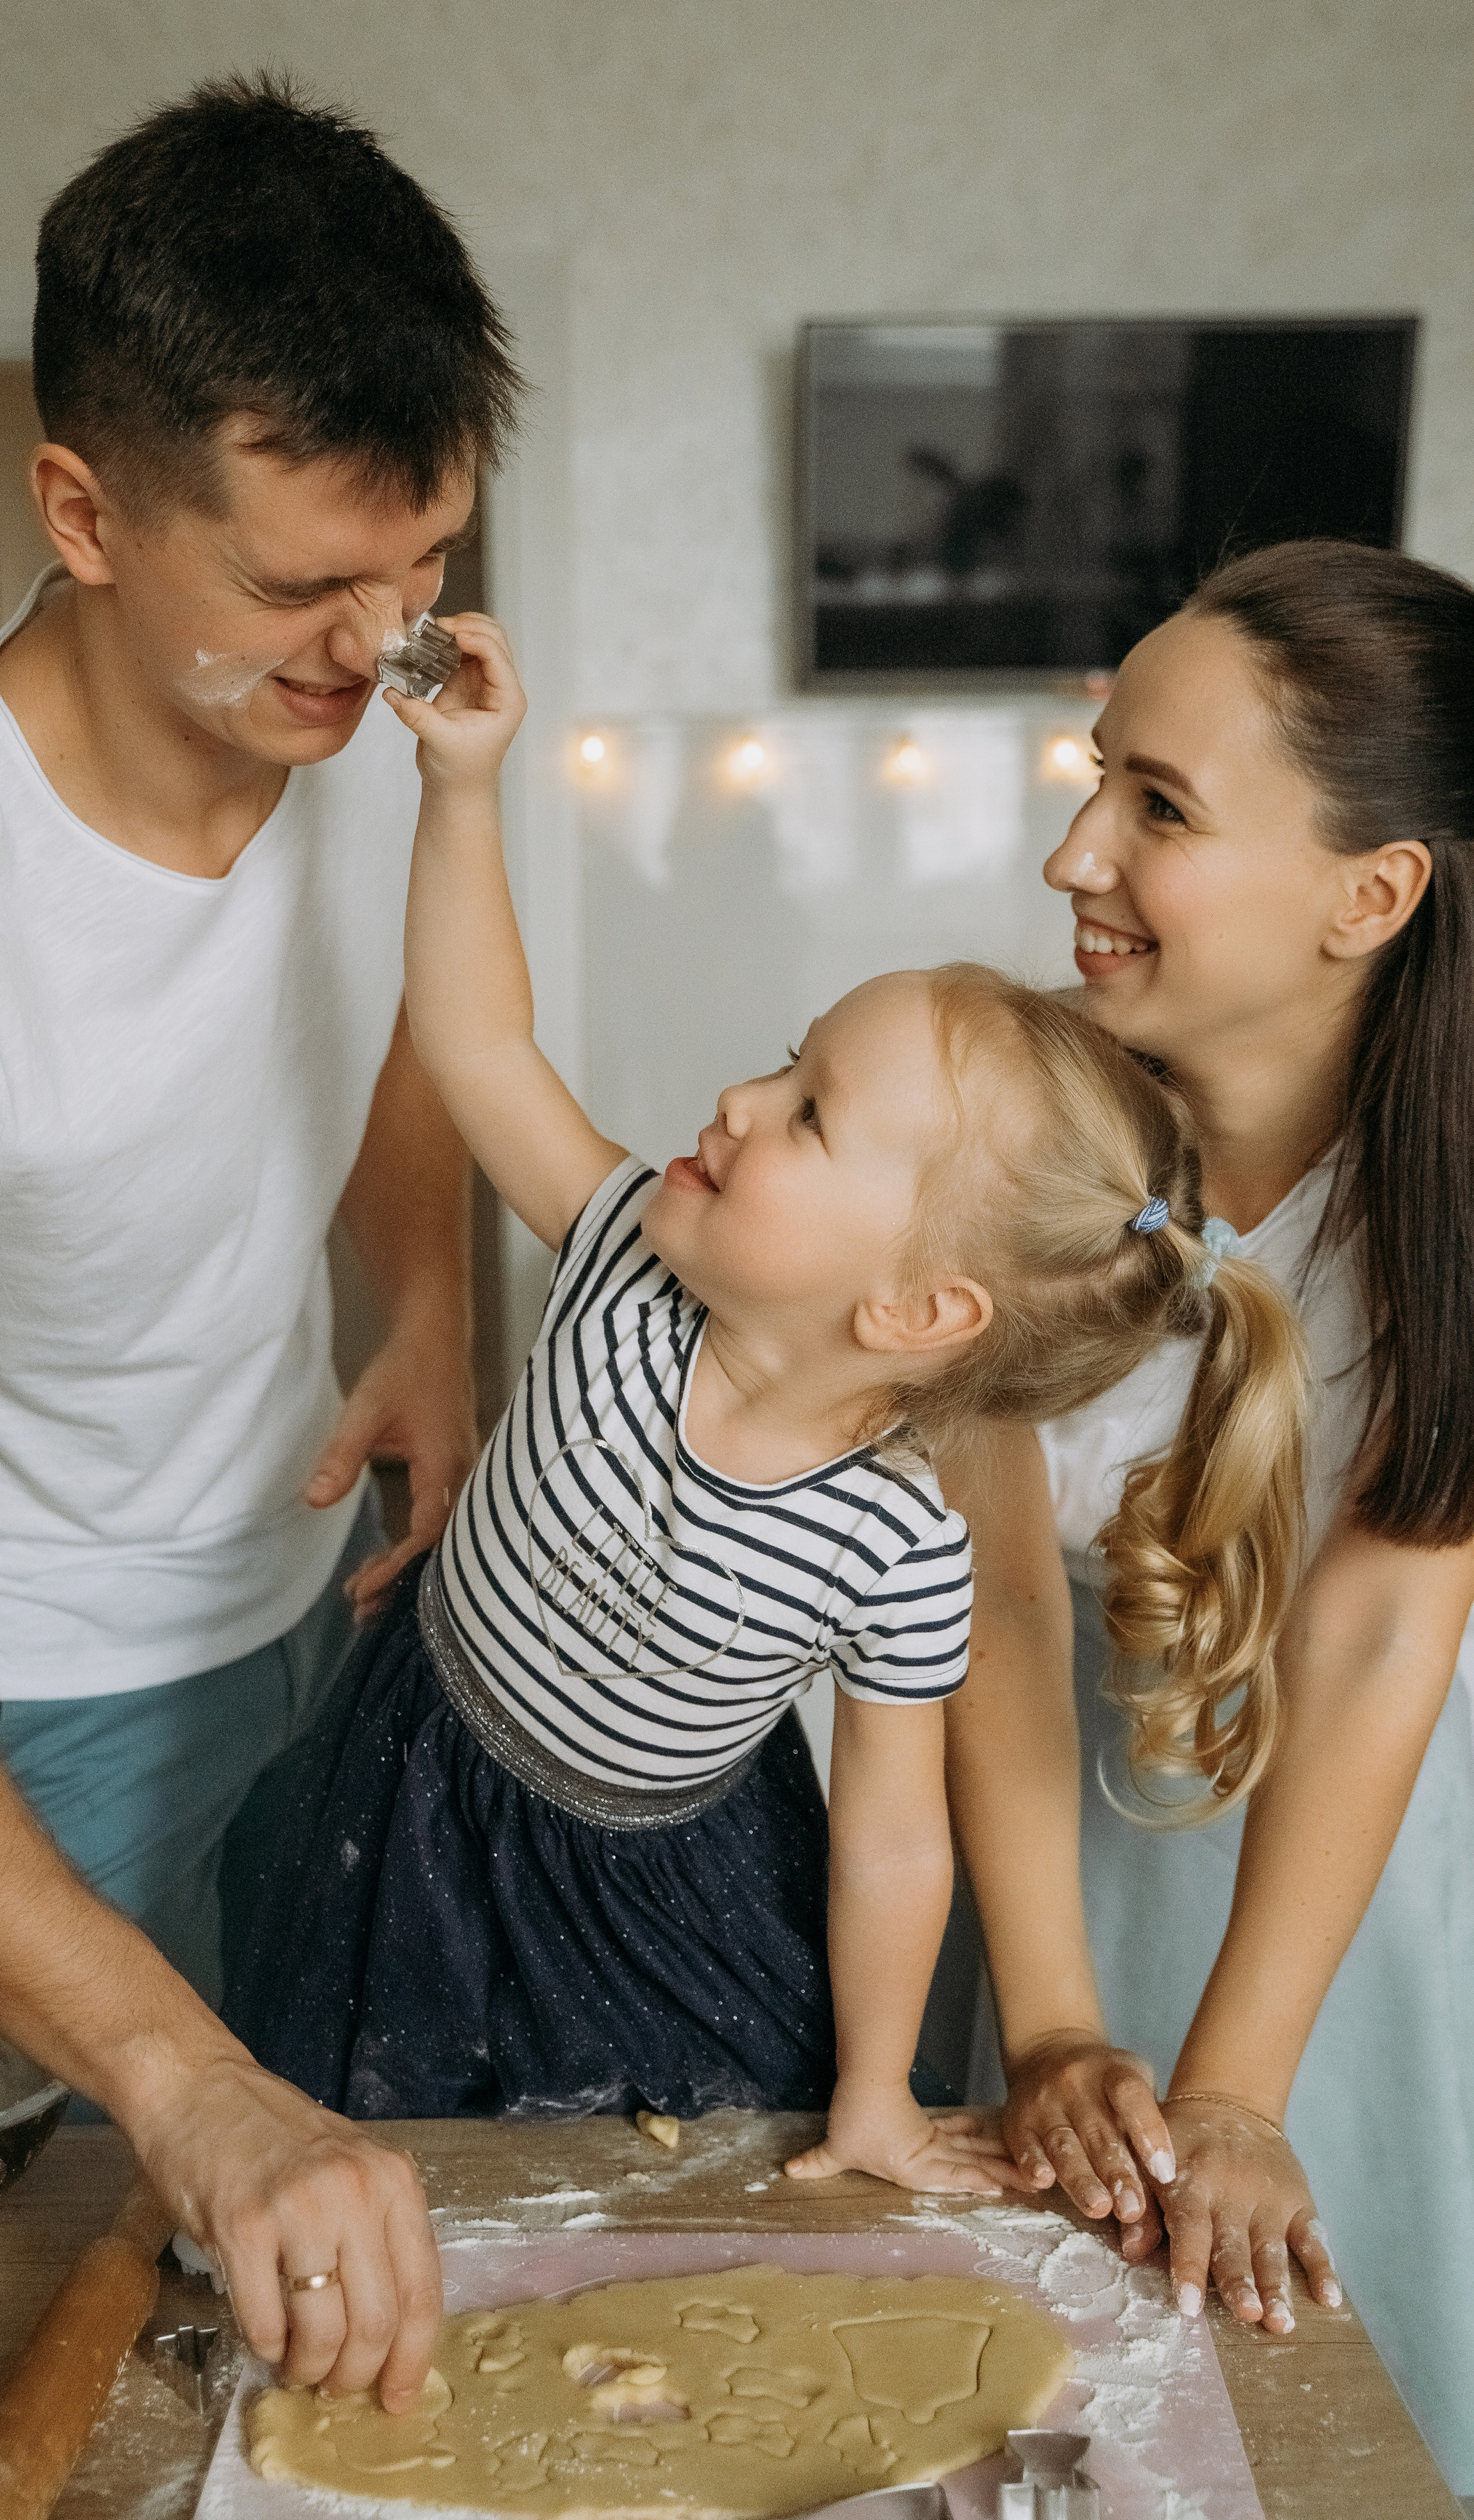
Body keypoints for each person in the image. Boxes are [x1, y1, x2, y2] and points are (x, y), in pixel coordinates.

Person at [0, 73, 524, 2405]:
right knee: (92, 2369)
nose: (382, 651)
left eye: (424, 565)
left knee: (315, 2324)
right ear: (81, 511)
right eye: (299, 587)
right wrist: (181, 2085)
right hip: (7, 1707)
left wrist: (431, 1303)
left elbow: (393, 1034)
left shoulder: (357, 724)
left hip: (304, 1604)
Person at [226, 607, 1311, 2198]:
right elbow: (476, 1037)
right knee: (377, 2166)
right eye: (778, 1065)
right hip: (412, 1781)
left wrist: (874, 2093)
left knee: (629, 2214)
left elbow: (887, 1839)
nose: (735, 1104)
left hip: (642, 1902)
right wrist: (459, 790)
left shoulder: (894, 1551)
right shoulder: (621, 1252)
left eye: (805, 1117)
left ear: (916, 1312)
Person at [947, 540, 1474, 2490]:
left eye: (1158, 806)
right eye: (1099, 780)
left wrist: (1238, 2086)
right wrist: (1050, 2021)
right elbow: (992, 1613)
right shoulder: (1024, 1145)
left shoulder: (1449, 1215)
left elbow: (1377, 1630)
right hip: (1044, 1869)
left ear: (1374, 893)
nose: (1077, 856)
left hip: (1362, 1887)